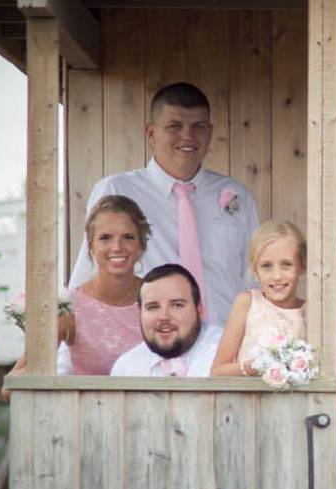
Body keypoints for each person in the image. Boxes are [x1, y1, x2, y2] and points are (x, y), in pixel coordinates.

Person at [68, 82, 259, 326]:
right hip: (148, 343)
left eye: (198, 126)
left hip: (223, 347)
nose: (188, 136)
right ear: (151, 133)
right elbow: (90, 268)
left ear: (210, 132)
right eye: (174, 126)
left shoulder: (237, 196)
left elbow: (253, 278)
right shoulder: (117, 191)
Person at [6, 195, 149, 381]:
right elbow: (12, 385)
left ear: (141, 246)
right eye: (105, 238)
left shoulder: (159, 299)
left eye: (128, 237)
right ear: (91, 247)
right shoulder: (69, 307)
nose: (117, 247)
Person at [211, 221, 307, 376]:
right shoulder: (247, 303)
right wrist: (257, 366)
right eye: (266, 266)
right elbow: (218, 371)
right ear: (255, 270)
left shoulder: (309, 311)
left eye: (286, 265)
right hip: (249, 399)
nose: (277, 276)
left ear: (302, 266)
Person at [111, 263, 223, 376]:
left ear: (200, 310)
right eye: (153, 307)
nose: (164, 317)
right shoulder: (125, 368)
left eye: (177, 305)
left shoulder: (227, 355)